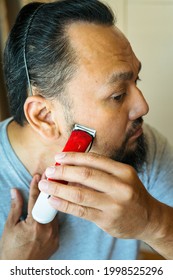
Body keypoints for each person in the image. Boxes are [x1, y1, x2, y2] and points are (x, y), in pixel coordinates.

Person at [0, 0, 173, 260]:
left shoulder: (136, 144)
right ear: (44, 116)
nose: (143, 106)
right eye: (117, 95)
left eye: (136, 80)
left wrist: (155, 222)